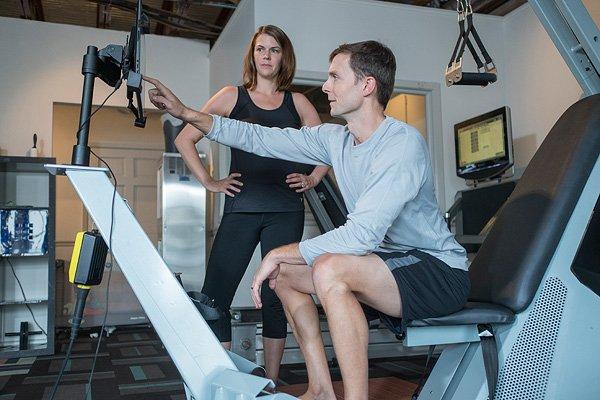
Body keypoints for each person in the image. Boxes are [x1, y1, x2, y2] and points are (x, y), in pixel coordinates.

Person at [145, 40, 469, 400]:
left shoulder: (401, 144)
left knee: (326, 267)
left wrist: (277, 253)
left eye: (334, 77)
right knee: (286, 277)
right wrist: (186, 112)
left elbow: (360, 236)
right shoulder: (336, 139)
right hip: (387, 264)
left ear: (366, 86)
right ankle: (320, 389)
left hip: (438, 271)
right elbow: (258, 137)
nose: (325, 87)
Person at [173, 25, 327, 385]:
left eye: (274, 50)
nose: (267, 56)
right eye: (261, 49)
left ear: (283, 57)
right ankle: (222, 378)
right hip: (241, 208)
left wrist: (313, 178)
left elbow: (327, 147)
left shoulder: (298, 103)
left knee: (278, 297)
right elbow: (185, 137)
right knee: (215, 297)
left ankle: (269, 383)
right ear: (252, 55)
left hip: (285, 210)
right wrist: (210, 182)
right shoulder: (232, 97)